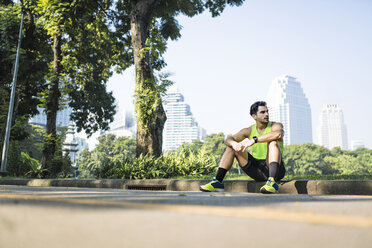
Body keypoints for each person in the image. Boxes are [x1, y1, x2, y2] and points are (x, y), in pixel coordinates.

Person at [200, 101, 285, 194]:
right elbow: (228, 139)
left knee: (272, 142)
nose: (267, 114)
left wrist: (254, 140)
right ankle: (217, 182)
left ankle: (272, 182)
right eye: (262, 112)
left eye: (267, 111)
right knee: (231, 146)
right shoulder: (249, 130)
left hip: (275, 169)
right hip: (257, 170)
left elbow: (278, 134)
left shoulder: (275, 125)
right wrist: (233, 143)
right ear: (254, 116)